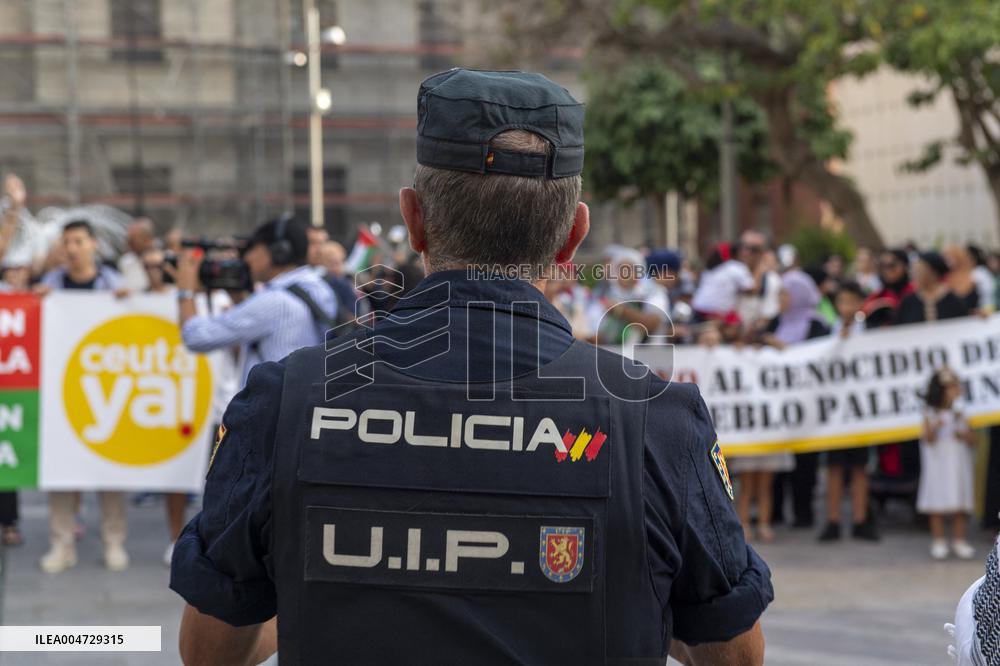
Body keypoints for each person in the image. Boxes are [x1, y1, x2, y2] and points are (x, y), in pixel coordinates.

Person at [170, 68, 770, 666]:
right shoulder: (658, 420)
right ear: (573, 238)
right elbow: (733, 655)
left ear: (414, 220)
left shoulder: (286, 399)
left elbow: (211, 651)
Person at [36, 220, 129, 573]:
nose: (72, 248)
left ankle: (114, 541)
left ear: (93, 244)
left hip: (106, 392)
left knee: (109, 469)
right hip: (61, 393)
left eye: (78, 240)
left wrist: (130, 302)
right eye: (67, 242)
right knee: (60, 470)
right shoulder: (50, 286)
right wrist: (36, 301)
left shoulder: (115, 285)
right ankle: (61, 544)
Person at [176, 216, 337, 386]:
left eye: (252, 249)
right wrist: (239, 298)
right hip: (298, 403)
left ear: (278, 252)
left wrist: (185, 289)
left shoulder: (275, 302)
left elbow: (195, 337)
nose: (247, 258)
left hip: (272, 409)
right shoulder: (319, 288)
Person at [818, 281, 879, 542]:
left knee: (858, 467)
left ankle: (860, 519)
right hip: (835, 410)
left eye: (852, 301)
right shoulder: (828, 330)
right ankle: (832, 520)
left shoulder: (867, 331)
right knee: (834, 467)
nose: (846, 307)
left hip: (858, 408)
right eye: (842, 302)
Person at [918, 368, 977, 560]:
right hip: (938, 464)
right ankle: (939, 540)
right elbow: (928, 438)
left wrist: (964, 433)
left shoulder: (961, 412)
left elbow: (973, 439)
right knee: (938, 500)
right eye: (951, 386)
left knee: (960, 500)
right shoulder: (929, 413)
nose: (955, 390)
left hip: (958, 462)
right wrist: (936, 426)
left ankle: (959, 540)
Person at [691, 241, 759, 322]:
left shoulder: (711, 268)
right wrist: (761, 267)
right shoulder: (736, 267)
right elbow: (752, 289)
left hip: (697, 310)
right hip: (715, 314)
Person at [896, 251, 969, 325]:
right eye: (914, 271)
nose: (914, 276)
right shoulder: (908, 303)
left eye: (919, 271)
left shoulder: (953, 301)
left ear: (933, 273)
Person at [117, 218, 156, 291]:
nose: (129, 244)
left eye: (133, 240)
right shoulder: (126, 262)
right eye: (128, 240)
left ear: (148, 239)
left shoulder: (167, 260)